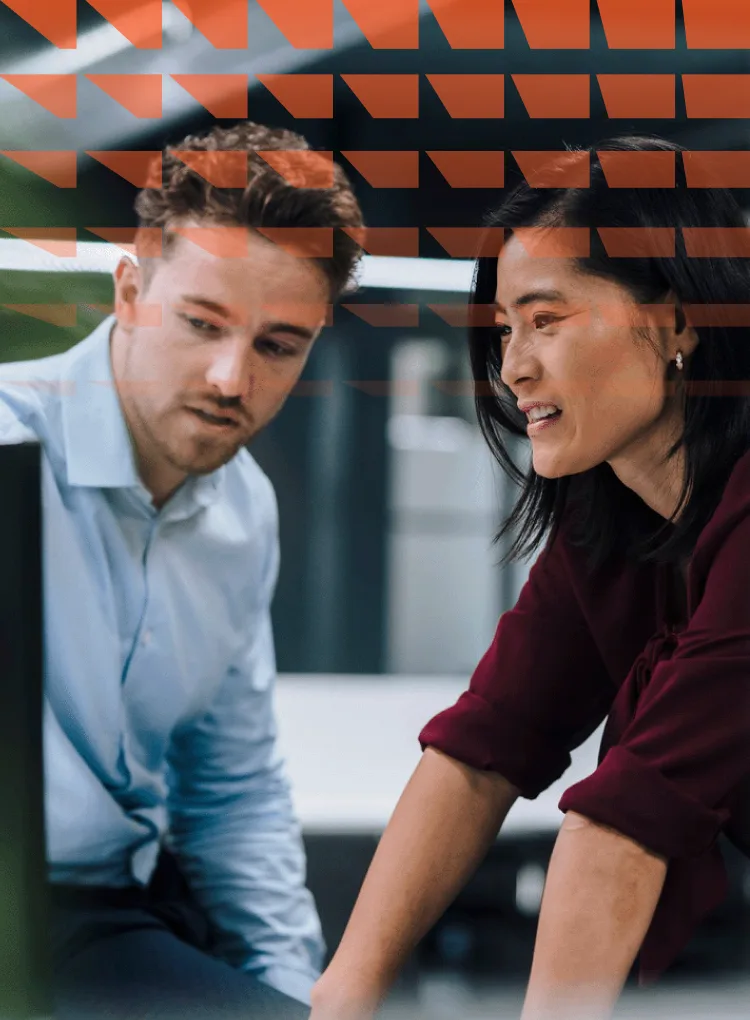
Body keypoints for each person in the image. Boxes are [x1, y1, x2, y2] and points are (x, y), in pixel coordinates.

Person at [310, 136, 750, 1020]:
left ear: (675, 321)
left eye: (546, 321)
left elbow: (623, 825)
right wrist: (337, 1003)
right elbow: (481, 752)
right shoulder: (615, 519)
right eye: (505, 330)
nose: (513, 367)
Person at [0, 120, 362, 1018]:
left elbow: (232, 790)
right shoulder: (7, 446)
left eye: (278, 346)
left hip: (102, 923)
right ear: (130, 291)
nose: (231, 378)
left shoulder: (244, 514)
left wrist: (292, 995)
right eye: (202, 324)